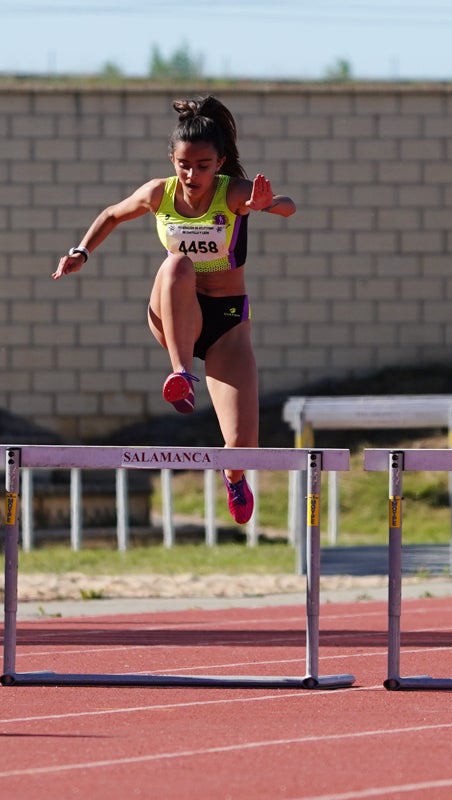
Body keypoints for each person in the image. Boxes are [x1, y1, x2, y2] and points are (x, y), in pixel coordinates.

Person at [52, 95, 295, 525]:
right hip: (173, 310)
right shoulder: (158, 193)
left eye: (202, 166)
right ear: (173, 160)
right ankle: (181, 374)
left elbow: (288, 207)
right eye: (184, 164)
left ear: (219, 164)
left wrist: (266, 204)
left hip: (226, 322)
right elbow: (111, 213)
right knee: (177, 264)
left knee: (245, 444)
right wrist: (81, 251)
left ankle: (234, 475)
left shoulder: (232, 193)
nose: (191, 174)